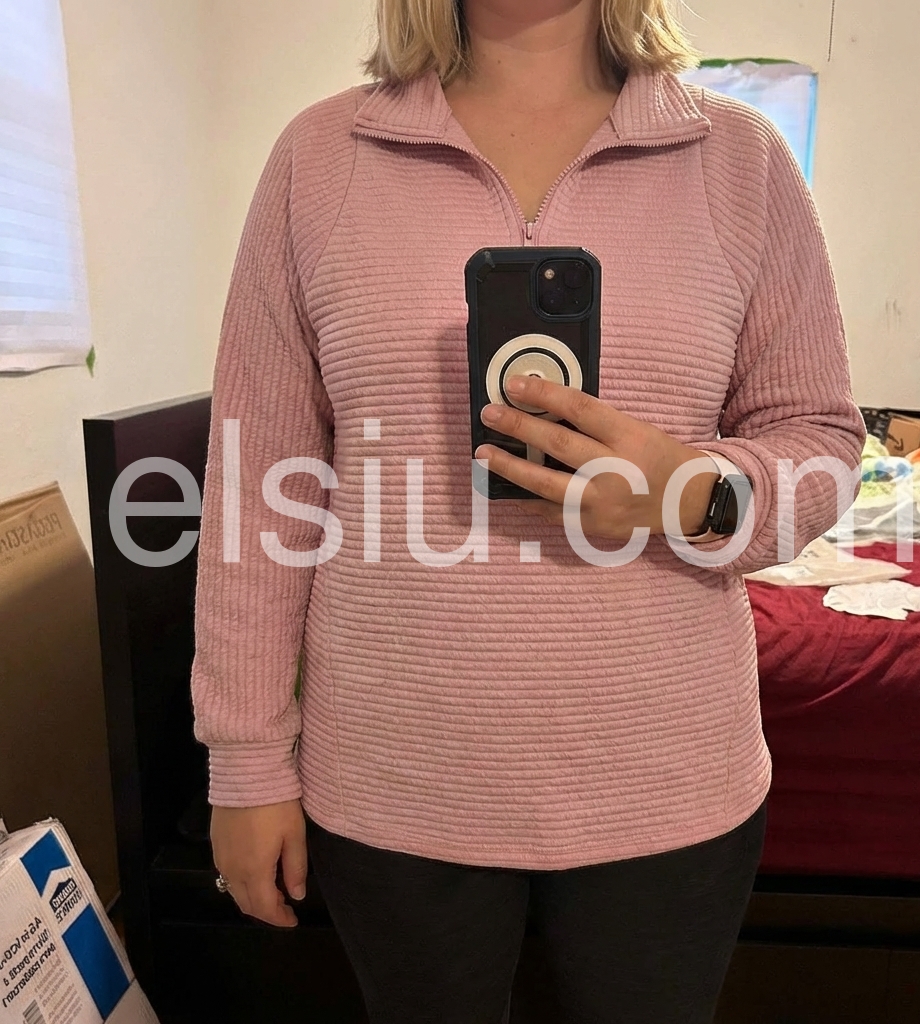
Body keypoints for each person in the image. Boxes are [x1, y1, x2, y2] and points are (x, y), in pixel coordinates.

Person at [190, 0, 866, 1021]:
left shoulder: (741, 161)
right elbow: (259, 488)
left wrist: (689, 491)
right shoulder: (319, 161)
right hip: (394, 784)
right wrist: (245, 764)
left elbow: (821, 442)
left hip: (667, 785)